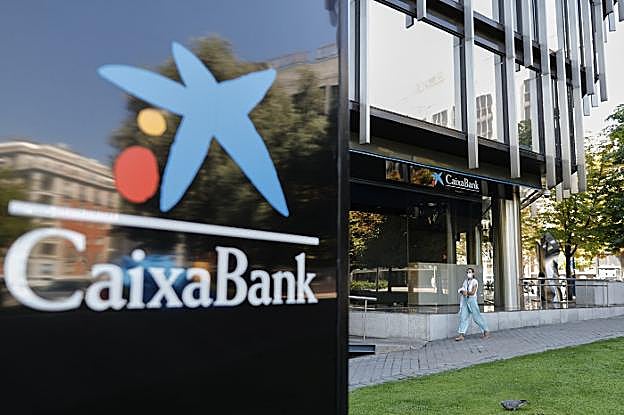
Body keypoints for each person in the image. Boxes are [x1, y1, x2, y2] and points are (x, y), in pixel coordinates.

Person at [455, 267, 490, 341]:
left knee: (477, 317)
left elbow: (473, 292)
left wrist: (466, 292)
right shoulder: (465, 281)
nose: (468, 273)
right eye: (467, 272)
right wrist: (462, 291)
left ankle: (486, 331)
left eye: (470, 272)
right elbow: (463, 289)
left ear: (473, 273)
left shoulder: (475, 281)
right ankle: (461, 335)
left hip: (472, 300)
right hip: (465, 300)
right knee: (463, 317)